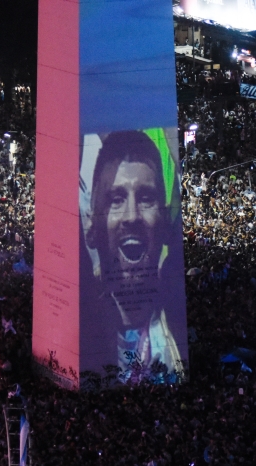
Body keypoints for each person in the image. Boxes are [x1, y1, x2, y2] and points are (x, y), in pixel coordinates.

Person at [82, 129, 186, 383]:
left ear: (164, 225)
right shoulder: (83, 328)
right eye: (116, 199)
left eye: (146, 198)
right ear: (91, 230)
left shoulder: (177, 320)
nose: (132, 216)